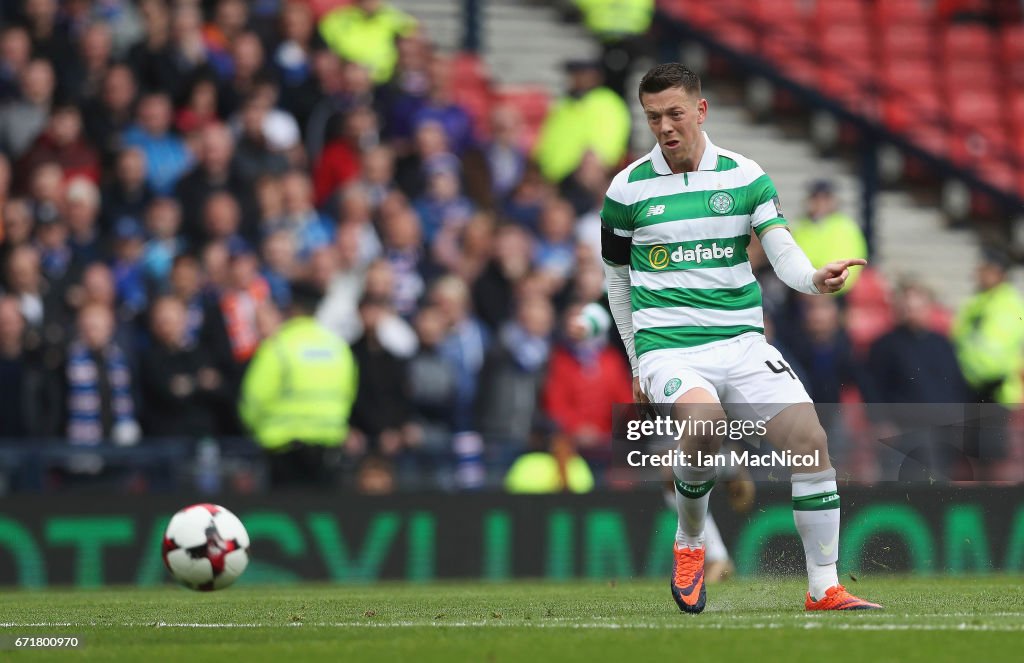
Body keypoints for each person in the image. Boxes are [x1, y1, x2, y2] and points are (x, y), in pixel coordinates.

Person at [600, 63, 879, 612]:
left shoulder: (745, 175)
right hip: (671, 347)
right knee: (704, 426)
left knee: (811, 443)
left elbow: (782, 253)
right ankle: (691, 542)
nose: (665, 126)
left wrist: (815, 281)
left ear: (701, 110)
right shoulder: (626, 188)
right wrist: (636, 359)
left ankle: (824, 587)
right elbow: (616, 280)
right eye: (653, 117)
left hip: (743, 342)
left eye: (675, 113)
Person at [239, 281, 358, 488]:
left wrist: (258, 430)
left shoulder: (277, 347)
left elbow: (252, 402)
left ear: (291, 308)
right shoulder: (339, 348)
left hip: (283, 454)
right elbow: (349, 394)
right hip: (329, 451)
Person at [534, 59, 630, 184]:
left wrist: (597, 162)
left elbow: (608, 140)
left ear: (595, 77)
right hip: (552, 177)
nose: (575, 79)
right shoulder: (564, 104)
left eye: (581, 74)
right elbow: (548, 138)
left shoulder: (607, 101)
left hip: (582, 176)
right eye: (573, 74)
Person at [790, 180, 868, 294]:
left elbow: (851, 263)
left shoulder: (846, 226)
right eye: (816, 198)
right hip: (804, 290)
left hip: (836, 291)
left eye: (825, 198)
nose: (820, 202)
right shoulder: (799, 226)